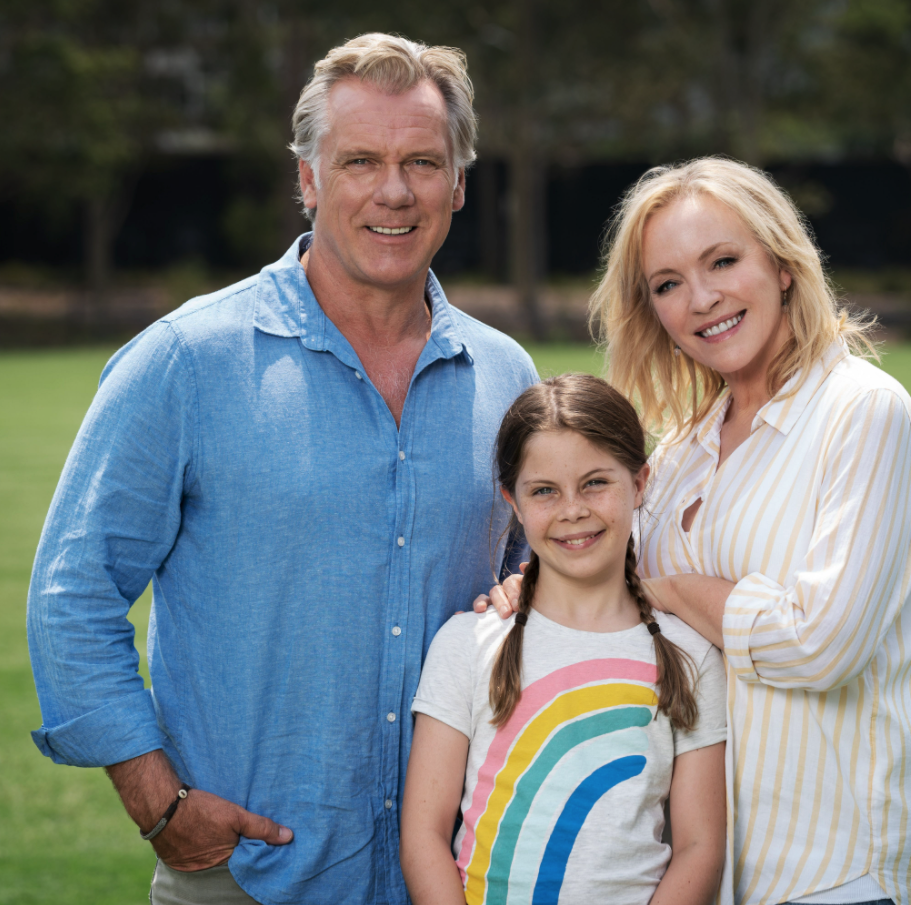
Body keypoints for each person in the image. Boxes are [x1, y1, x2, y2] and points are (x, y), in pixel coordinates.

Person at [26, 34, 537, 905]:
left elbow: (541, 575)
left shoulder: (506, 376)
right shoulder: (187, 361)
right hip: (244, 877)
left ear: (457, 183)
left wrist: (531, 587)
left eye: (422, 160)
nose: (393, 190)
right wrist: (159, 804)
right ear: (307, 179)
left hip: (458, 873)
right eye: (359, 161)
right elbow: (73, 591)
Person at [482, 158, 911, 905]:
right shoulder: (681, 449)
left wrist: (670, 589)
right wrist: (528, 592)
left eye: (722, 261)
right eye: (667, 283)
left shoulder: (863, 412)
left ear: (783, 263)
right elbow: (609, 598)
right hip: (707, 872)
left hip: (834, 870)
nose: (700, 299)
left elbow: (818, 644)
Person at [404, 374, 729, 905]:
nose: (572, 509)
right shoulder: (467, 643)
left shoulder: (689, 655)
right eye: (544, 491)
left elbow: (699, 847)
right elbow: (423, 837)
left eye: (596, 482)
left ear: (640, 482)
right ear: (513, 500)